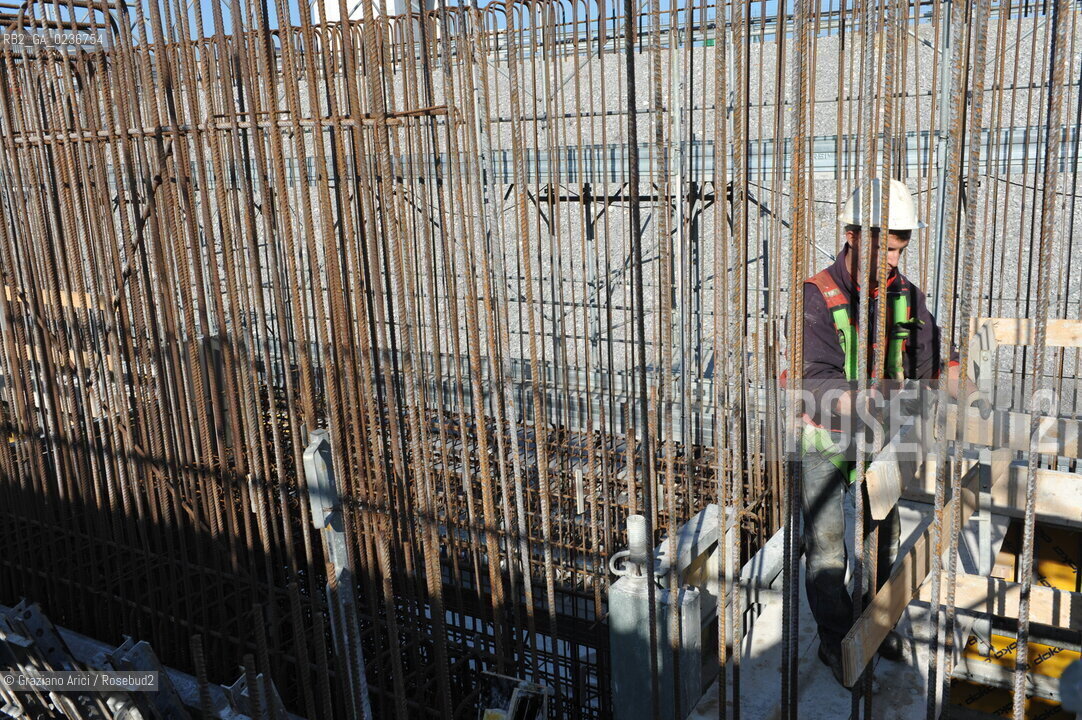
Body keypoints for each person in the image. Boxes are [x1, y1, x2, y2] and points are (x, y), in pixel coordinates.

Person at [797, 178, 960, 686]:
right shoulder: (819, 293)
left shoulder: (906, 296)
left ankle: (875, 628)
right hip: (825, 440)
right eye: (885, 248)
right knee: (826, 551)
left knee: (879, 541)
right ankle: (836, 642)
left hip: (878, 442)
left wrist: (953, 376)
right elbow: (814, 376)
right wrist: (857, 399)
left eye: (900, 249)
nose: (893, 259)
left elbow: (928, 359)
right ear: (852, 235)